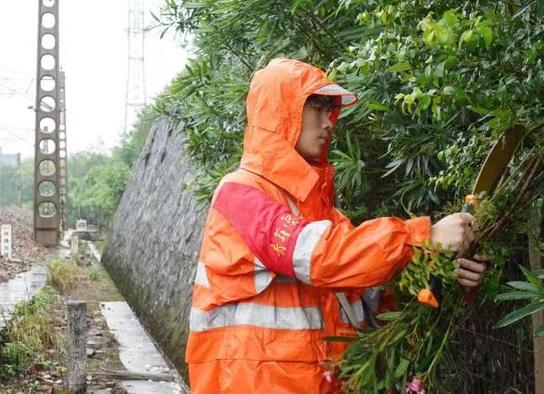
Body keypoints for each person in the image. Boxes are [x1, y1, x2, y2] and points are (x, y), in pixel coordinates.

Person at [185, 58, 488, 393]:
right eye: (315, 107)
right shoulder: (240, 196)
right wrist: (422, 236)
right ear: (279, 113)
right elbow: (320, 258)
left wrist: (447, 272)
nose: (328, 122)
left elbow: (383, 299)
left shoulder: (326, 219)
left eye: (330, 110)